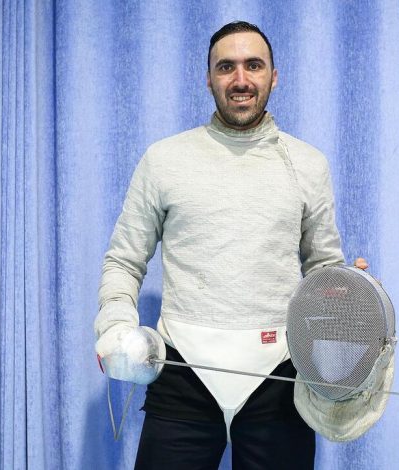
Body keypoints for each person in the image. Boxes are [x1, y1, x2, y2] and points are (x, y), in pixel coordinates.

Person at [94, 21, 371, 469]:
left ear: (273, 77)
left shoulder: (308, 164)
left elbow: (323, 266)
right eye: (226, 67)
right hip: (182, 373)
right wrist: (116, 326)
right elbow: (124, 261)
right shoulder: (164, 160)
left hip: (278, 376)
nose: (240, 79)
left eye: (253, 66)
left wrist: (345, 291)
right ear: (209, 78)